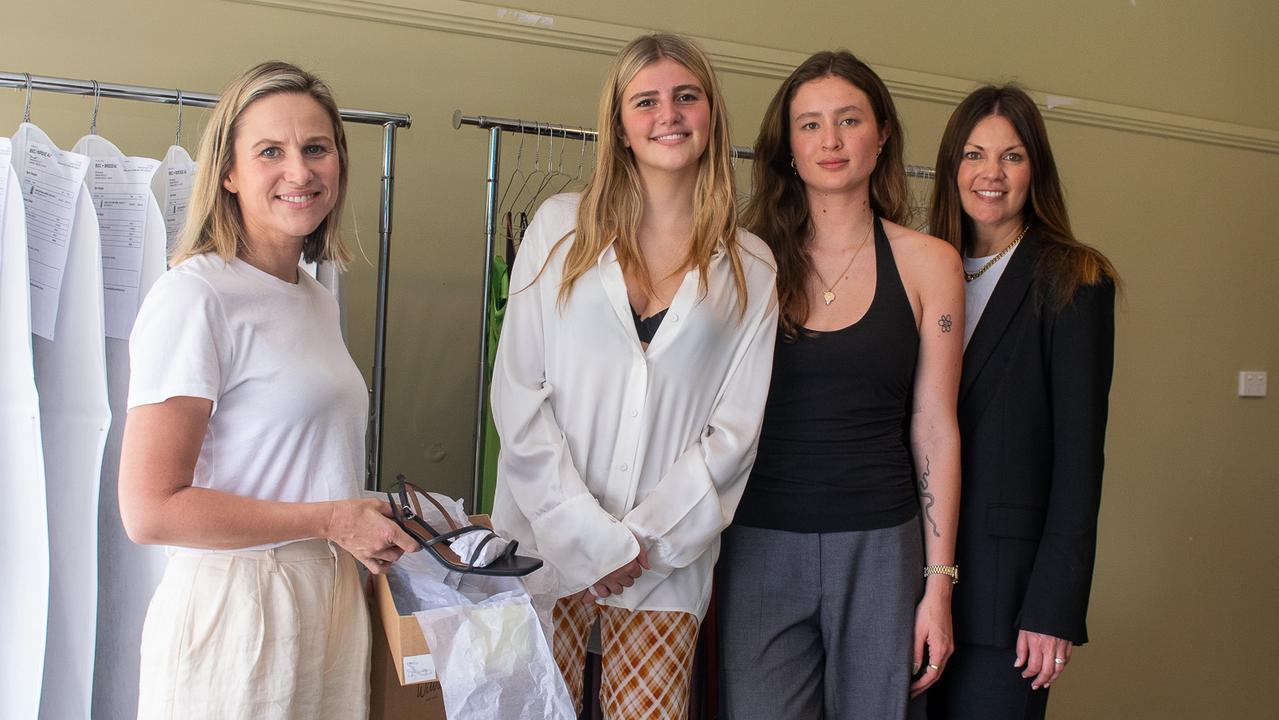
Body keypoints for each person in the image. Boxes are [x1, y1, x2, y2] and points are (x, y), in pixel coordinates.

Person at [490, 33, 779, 719]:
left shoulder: (752, 267)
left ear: (710, 115)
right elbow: (518, 395)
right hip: (544, 552)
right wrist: (590, 540)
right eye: (644, 101)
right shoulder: (559, 229)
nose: (668, 115)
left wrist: (637, 546)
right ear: (619, 126)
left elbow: (732, 436)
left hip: (664, 571)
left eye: (686, 97)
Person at [118, 61, 417, 720]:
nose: (300, 171)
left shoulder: (313, 298)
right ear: (228, 173)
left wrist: (368, 511)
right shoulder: (195, 297)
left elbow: (284, 467)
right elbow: (150, 510)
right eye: (270, 152)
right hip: (240, 614)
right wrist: (331, 519)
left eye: (316, 148)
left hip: (328, 601)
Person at [719, 50, 963, 719]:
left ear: (880, 134)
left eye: (848, 120)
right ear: (786, 147)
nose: (829, 141)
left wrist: (937, 587)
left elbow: (936, 425)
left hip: (882, 547)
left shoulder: (929, 263)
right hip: (758, 541)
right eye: (809, 125)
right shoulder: (742, 261)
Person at [923, 84, 1118, 720]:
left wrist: (1052, 608)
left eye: (1012, 157)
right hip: (908, 583)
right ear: (953, 168)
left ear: (1036, 169)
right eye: (975, 155)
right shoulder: (920, 269)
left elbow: (1079, 459)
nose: (991, 174)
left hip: (1009, 604)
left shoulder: (1074, 277)